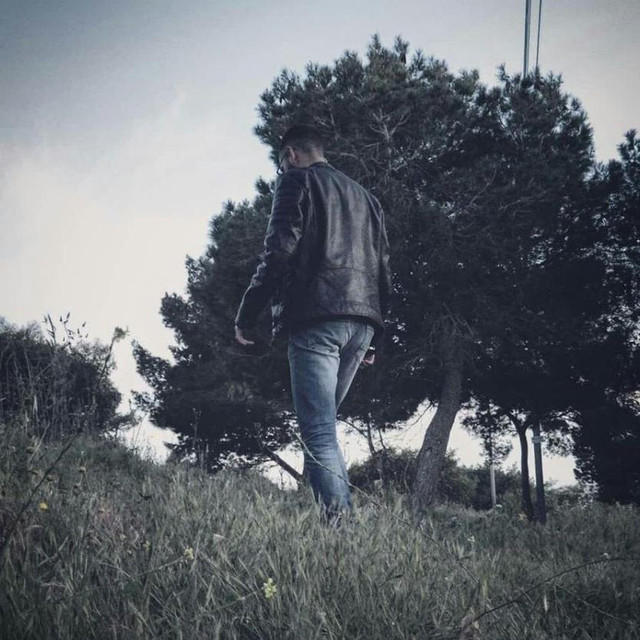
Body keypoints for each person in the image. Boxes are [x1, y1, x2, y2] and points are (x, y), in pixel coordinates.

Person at [235, 124, 391, 521]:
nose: (281, 171)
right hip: (363, 321)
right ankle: (330, 518)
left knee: (319, 433)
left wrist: (247, 313)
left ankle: (339, 530)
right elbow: (383, 268)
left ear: (290, 155)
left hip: (318, 316)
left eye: (281, 164)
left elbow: (279, 249)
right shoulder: (368, 199)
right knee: (323, 428)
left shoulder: (296, 181)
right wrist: (376, 334)